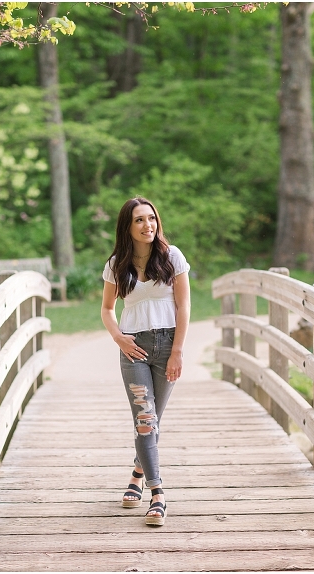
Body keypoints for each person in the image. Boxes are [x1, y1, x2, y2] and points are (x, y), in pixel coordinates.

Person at [101, 196, 191, 527]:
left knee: (154, 419)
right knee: (145, 419)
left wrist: (178, 350)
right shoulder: (116, 265)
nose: (147, 225)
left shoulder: (172, 257)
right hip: (133, 347)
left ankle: (138, 472)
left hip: (168, 344)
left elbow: (184, 307)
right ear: (127, 226)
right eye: (139, 220)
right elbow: (107, 309)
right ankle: (158, 494)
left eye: (151, 218)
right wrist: (118, 337)